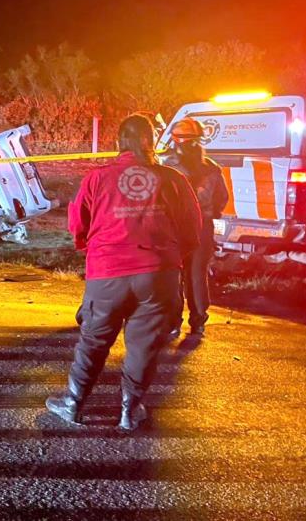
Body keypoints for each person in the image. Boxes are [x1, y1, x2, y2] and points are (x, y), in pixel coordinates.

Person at [46, 114, 202, 432]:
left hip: (108, 273)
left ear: (119, 142)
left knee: (93, 339)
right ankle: (130, 411)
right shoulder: (173, 179)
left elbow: (78, 225)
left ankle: (74, 404)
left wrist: (92, 250)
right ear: (153, 142)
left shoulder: (97, 177)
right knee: (144, 345)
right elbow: (192, 230)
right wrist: (169, 260)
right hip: (159, 274)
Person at [164, 118, 229, 337]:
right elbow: (222, 198)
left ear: (176, 139)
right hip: (202, 227)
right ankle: (198, 321)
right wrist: (211, 214)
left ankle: (173, 322)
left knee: (174, 275)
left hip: (175, 228)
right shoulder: (211, 168)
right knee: (197, 275)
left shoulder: (167, 166)